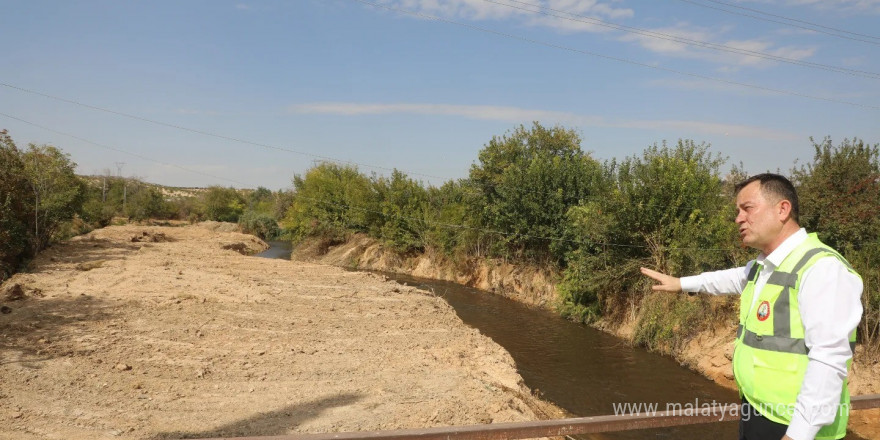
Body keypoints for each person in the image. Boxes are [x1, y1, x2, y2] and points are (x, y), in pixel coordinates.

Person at [640, 173, 863, 440]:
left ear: (782, 209)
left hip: (797, 427)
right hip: (757, 412)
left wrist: (798, 434)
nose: (738, 218)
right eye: (737, 211)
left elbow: (829, 359)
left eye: (747, 208)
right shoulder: (765, 265)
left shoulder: (823, 268)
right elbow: (730, 278)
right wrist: (681, 283)